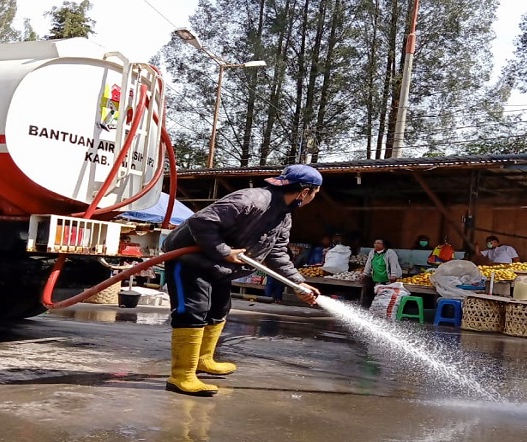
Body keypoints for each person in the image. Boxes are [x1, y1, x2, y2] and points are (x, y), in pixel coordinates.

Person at [161, 164, 322, 396]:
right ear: (305, 192)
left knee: (219, 309)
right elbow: (201, 222)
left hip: (219, 266)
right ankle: (181, 376)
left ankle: (203, 360)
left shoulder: (283, 215)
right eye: (315, 194)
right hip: (189, 260)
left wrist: (298, 282)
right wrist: (225, 251)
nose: (313, 199)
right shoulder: (251, 200)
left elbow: (277, 252)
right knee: (193, 311)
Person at [360, 239, 403, 308]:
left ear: (384, 245)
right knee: (372, 293)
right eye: (375, 243)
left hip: (387, 278)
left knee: (385, 296)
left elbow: (393, 263)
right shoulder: (372, 252)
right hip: (376, 277)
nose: (376, 244)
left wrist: (393, 274)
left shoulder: (390, 252)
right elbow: (368, 263)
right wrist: (365, 273)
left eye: (378, 243)